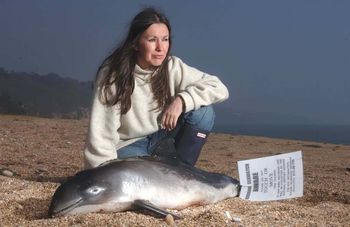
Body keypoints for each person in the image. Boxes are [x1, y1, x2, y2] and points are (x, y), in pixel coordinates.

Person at [83, 7, 229, 169]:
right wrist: (101, 173)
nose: (161, 48)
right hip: (128, 146)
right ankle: (158, 171)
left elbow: (218, 87)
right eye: (152, 40)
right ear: (136, 43)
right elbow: (101, 133)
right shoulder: (113, 75)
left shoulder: (172, 67)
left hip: (162, 138)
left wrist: (181, 100)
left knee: (203, 114)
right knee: (142, 176)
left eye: (165, 39)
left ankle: (182, 172)